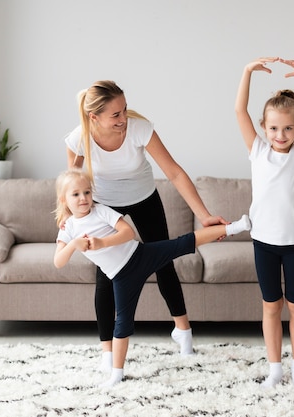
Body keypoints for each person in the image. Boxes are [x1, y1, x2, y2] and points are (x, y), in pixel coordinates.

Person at [64, 80, 228, 370]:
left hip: (143, 198)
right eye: (115, 115)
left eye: (124, 109)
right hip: (104, 205)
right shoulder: (79, 139)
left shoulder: (139, 128)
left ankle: (184, 332)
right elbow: (72, 183)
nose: (123, 118)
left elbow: (174, 172)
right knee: (106, 274)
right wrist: (67, 214)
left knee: (163, 261)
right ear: (95, 117)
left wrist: (203, 215)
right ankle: (107, 352)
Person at [53, 169, 251, 387]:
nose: (83, 198)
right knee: (122, 323)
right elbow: (58, 261)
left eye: (87, 192)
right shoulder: (68, 227)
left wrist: (101, 243)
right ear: (64, 200)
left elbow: (128, 233)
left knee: (182, 243)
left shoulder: (101, 211)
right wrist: (73, 245)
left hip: (140, 256)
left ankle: (235, 227)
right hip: (120, 277)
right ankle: (116, 374)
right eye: (76, 194)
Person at [234, 57, 294, 388]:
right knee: (271, 306)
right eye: (274, 128)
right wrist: (247, 72)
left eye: (288, 128)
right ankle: (275, 370)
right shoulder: (257, 151)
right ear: (264, 127)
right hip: (263, 242)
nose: (281, 134)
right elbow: (239, 111)